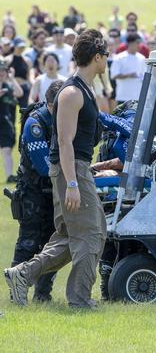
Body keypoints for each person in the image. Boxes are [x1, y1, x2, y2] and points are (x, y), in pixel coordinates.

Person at [4, 29, 109, 308]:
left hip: (77, 167)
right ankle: (79, 300)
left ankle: (22, 274)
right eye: (105, 56)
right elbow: (64, 141)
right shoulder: (72, 92)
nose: (107, 61)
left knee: (70, 236)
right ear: (97, 57)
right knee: (92, 234)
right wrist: (73, 183)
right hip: (70, 169)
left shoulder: (84, 89)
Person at [8, 80, 63, 303]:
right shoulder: (35, 123)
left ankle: (43, 294)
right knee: (28, 243)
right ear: (51, 104)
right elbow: (43, 167)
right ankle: (16, 293)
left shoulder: (64, 120)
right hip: (32, 192)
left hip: (54, 192)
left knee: (52, 243)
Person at [0, 61, 23, 182]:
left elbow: (19, 93)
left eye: (3, 70)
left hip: (4, 123)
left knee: (7, 150)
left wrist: (12, 78)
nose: (1, 73)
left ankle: (9, 176)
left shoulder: (7, 86)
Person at [110, 34, 146, 105]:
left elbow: (144, 75)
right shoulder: (119, 58)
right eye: (137, 42)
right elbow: (113, 75)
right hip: (123, 97)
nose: (139, 45)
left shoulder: (142, 58)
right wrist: (128, 75)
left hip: (138, 98)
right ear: (130, 43)